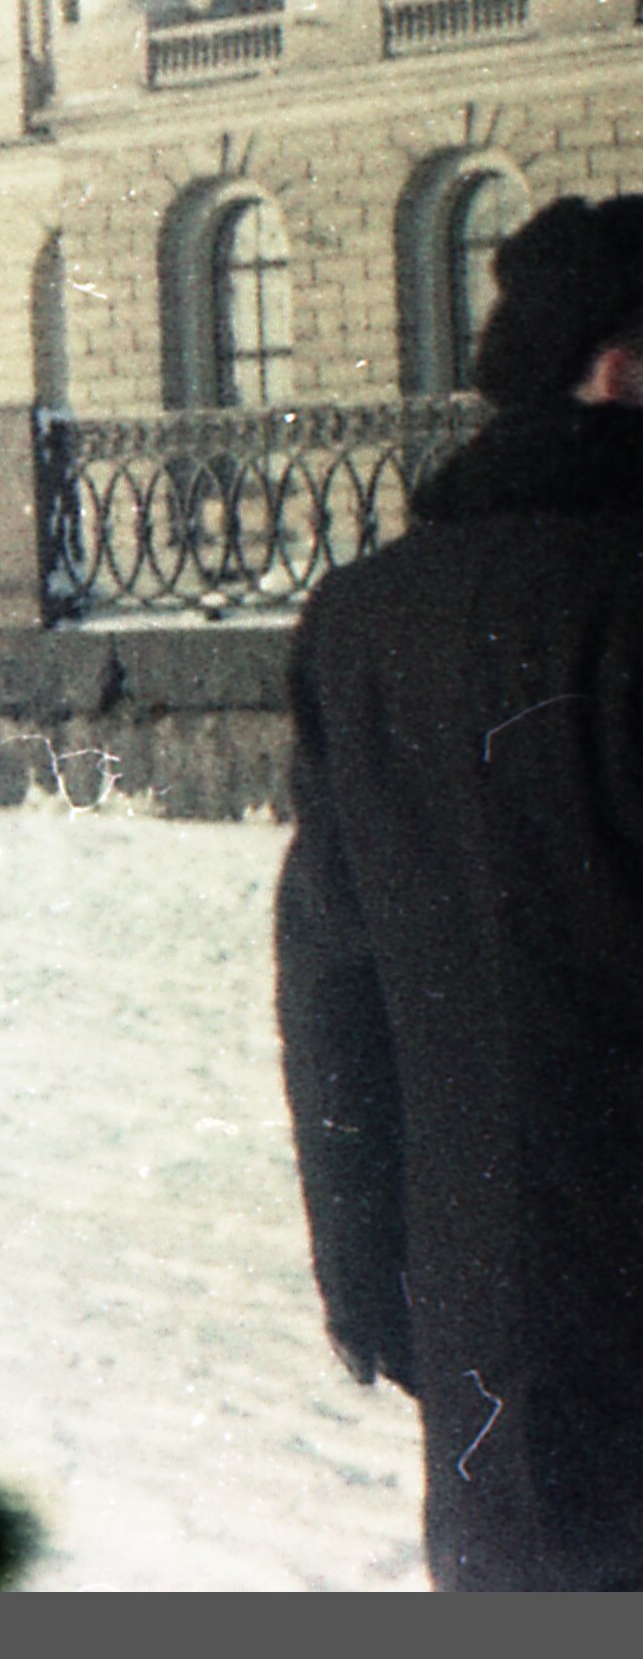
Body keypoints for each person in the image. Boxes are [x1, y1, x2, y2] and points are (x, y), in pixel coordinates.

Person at [278, 192, 643, 1591]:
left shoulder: (365, 617)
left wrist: (372, 1273)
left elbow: (332, 977)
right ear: (616, 367)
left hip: (491, 1318)